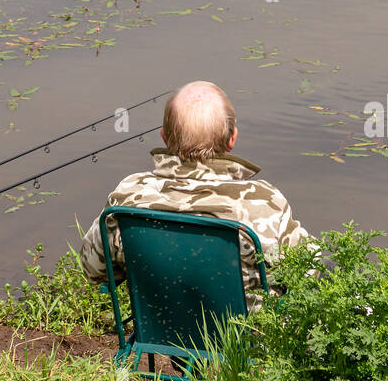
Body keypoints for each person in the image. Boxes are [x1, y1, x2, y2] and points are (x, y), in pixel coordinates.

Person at [79, 79, 311, 311]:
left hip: (161, 326)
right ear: (233, 139)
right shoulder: (265, 201)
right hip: (247, 337)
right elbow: (308, 271)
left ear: (164, 137)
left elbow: (93, 269)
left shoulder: (129, 195)